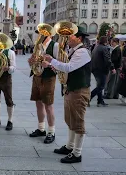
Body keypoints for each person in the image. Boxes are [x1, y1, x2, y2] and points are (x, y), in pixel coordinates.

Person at [41, 26, 91, 163]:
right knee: (70, 120)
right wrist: (53, 65)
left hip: (79, 91)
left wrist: (52, 61)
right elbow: (66, 69)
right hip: (71, 89)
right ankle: (70, 147)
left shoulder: (82, 52)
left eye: (71, 36)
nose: (67, 38)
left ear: (79, 38)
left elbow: (69, 67)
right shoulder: (73, 51)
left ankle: (77, 153)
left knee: (78, 121)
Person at [27, 29, 59, 144]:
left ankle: (51, 131)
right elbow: (33, 62)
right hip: (37, 76)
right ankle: (41, 128)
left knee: (48, 105)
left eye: (42, 33)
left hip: (48, 77)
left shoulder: (55, 45)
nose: (39, 35)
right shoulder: (38, 46)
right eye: (39, 33)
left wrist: (50, 64)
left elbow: (60, 64)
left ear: (49, 34)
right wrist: (31, 62)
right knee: (38, 103)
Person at [90, 36, 115, 107]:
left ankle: (100, 100)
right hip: (101, 70)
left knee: (99, 85)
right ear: (105, 41)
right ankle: (89, 97)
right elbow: (107, 60)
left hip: (95, 69)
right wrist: (112, 68)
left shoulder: (96, 47)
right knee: (101, 86)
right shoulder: (104, 48)